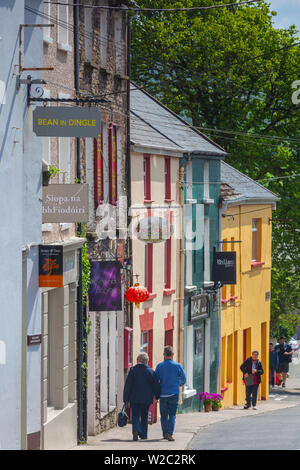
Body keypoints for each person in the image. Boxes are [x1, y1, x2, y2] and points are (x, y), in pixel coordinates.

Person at [123, 352, 160, 441]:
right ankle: (144, 435)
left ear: (138, 360)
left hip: (134, 398)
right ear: (147, 361)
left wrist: (125, 398)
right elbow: (156, 386)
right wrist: (157, 396)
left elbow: (128, 386)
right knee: (145, 416)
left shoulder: (132, 370)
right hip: (146, 398)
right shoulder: (151, 372)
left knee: (135, 415)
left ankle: (136, 430)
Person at [155, 346, 186, 442]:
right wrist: (179, 383)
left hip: (163, 394)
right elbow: (183, 379)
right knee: (172, 415)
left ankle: (165, 433)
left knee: (163, 415)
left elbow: (156, 380)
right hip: (174, 393)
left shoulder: (159, 366)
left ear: (164, 355)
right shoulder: (178, 366)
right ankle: (170, 433)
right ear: (173, 354)